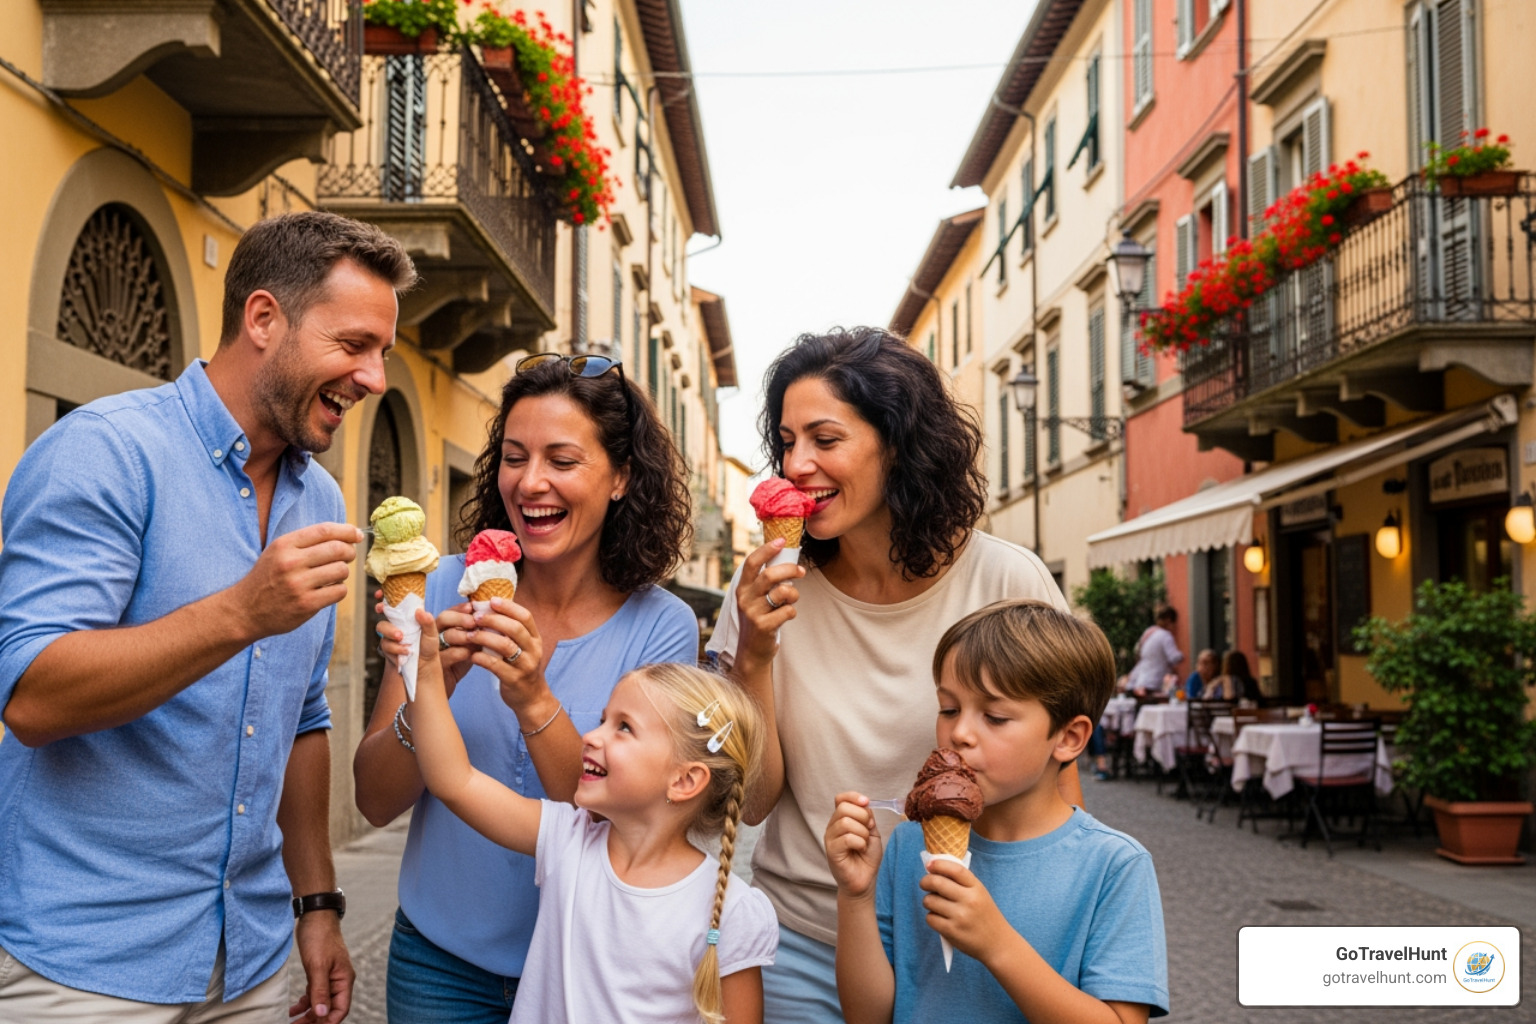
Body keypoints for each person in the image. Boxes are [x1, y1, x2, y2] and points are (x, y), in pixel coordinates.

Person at [0, 212, 417, 1021]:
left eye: (383, 354)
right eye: (353, 344)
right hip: (81, 965)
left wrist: (319, 905)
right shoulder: (106, 452)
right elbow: (33, 700)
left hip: (247, 962)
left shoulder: (320, 498)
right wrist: (240, 612)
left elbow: (300, 718)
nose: (373, 378)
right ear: (263, 319)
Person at [706, 327, 1075, 1022]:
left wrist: (1045, 944)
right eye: (786, 443)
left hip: (961, 940)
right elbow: (752, 804)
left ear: (898, 443)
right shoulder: (758, 593)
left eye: (825, 439)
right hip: (805, 941)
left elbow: (1058, 790)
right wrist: (754, 653)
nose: (797, 465)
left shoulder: (1006, 579)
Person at [356, 353, 698, 1023]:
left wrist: (535, 698)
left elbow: (622, 824)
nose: (531, 482)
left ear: (622, 477)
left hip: (589, 966)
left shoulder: (662, 628)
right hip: (438, 966)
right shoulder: (437, 587)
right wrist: (434, 689)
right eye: (514, 457)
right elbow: (373, 800)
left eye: (562, 461)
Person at [407, 620, 779, 1023]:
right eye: (603, 719)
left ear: (685, 780)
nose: (591, 736)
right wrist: (425, 674)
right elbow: (455, 782)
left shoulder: (730, 913)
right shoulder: (568, 841)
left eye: (623, 728)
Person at [826, 600, 1170, 1024]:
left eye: (995, 716)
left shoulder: (1114, 866)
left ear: (1068, 737)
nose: (959, 733)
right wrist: (855, 896)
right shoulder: (909, 844)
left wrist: (998, 945)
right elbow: (867, 1016)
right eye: (949, 709)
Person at [1124, 607, 1183, 696]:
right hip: (1156, 683)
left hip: (1141, 681)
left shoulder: (1148, 632)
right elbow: (1174, 657)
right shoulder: (1166, 636)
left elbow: (1137, 652)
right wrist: (1182, 656)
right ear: (1168, 620)